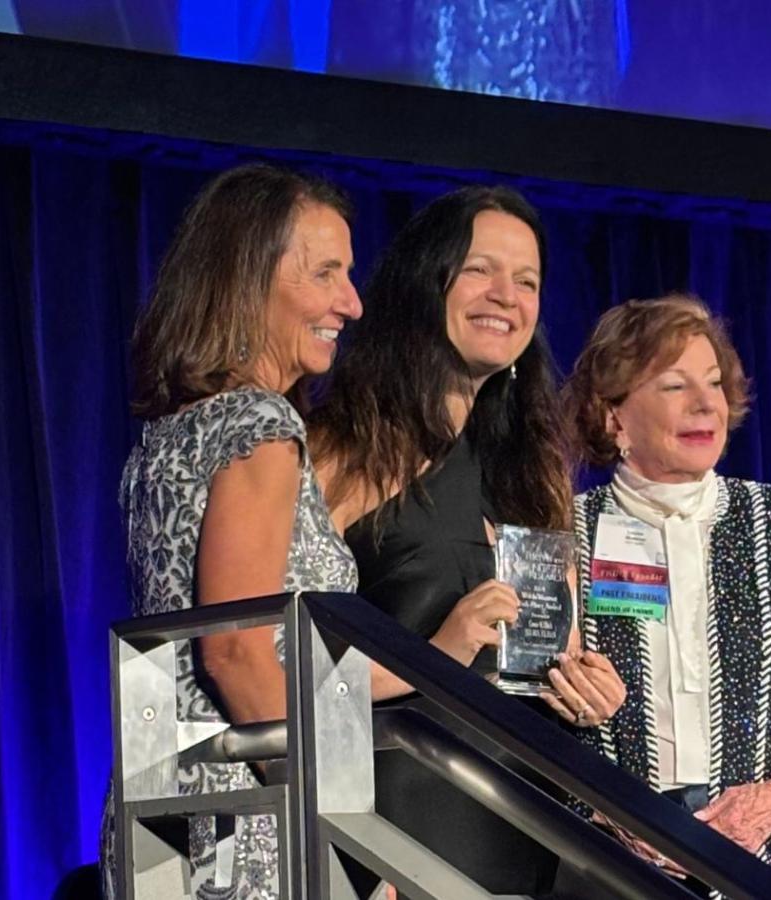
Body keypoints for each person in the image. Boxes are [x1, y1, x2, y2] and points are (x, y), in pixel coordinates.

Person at [308, 185, 626, 897]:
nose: (506, 295)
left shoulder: (534, 465)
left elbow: (552, 650)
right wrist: (437, 650)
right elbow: (278, 669)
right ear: (427, 282)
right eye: (480, 269)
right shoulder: (342, 449)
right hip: (391, 826)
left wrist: (585, 689)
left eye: (527, 281)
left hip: (522, 819)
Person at [99, 162, 368, 900]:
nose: (352, 302)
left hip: (163, 808)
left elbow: (280, 658)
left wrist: (445, 652)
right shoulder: (261, 425)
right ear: (250, 280)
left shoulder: (166, 435)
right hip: (244, 828)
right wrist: (344, 832)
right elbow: (236, 653)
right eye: (326, 273)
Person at [562, 294, 771, 899]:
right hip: (605, 870)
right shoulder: (562, 534)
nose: (706, 403)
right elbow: (519, 714)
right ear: (612, 416)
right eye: (674, 385)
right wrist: (602, 809)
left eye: (713, 383)